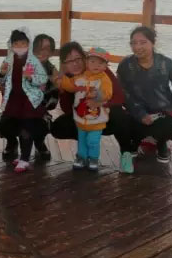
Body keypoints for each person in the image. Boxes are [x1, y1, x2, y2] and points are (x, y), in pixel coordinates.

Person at [50, 41, 136, 173]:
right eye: (69, 61)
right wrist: (63, 90)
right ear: (64, 64)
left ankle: (126, 153)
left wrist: (100, 103)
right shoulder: (68, 79)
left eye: (78, 59)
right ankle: (84, 153)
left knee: (119, 114)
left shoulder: (99, 69)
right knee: (58, 127)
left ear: (84, 58)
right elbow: (67, 110)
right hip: (83, 119)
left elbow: (119, 97)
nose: (75, 63)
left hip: (104, 118)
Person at [117, 26, 172, 164]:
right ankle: (133, 143)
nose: (137, 47)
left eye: (143, 42)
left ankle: (161, 145)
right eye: (133, 43)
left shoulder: (167, 63)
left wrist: (171, 107)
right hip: (134, 109)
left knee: (167, 120)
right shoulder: (125, 64)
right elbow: (121, 90)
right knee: (120, 117)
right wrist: (139, 113)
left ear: (153, 43)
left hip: (161, 111)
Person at [0, 27, 48, 173]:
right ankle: (19, 153)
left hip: (29, 101)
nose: (20, 47)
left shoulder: (33, 61)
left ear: (28, 44)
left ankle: (25, 159)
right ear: (11, 45)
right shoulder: (8, 60)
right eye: (16, 44)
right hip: (13, 101)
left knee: (27, 127)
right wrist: (2, 73)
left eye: (23, 43)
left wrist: (31, 78)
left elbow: (43, 79)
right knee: (12, 124)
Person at [1, 33, 57, 161]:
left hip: (37, 111)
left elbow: (53, 103)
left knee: (40, 124)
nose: (42, 51)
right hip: (15, 108)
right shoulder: (17, 64)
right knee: (4, 123)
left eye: (46, 48)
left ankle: (39, 142)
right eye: (38, 47)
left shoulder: (53, 72)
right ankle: (12, 142)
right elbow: (5, 87)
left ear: (52, 52)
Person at [58, 47, 113, 171]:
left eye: (100, 63)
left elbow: (108, 94)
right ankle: (81, 157)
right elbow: (71, 86)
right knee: (82, 140)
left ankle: (93, 158)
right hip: (80, 119)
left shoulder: (104, 79)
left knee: (93, 140)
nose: (96, 65)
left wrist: (97, 94)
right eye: (92, 61)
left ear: (105, 66)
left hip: (97, 120)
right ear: (87, 62)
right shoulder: (80, 77)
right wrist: (62, 79)